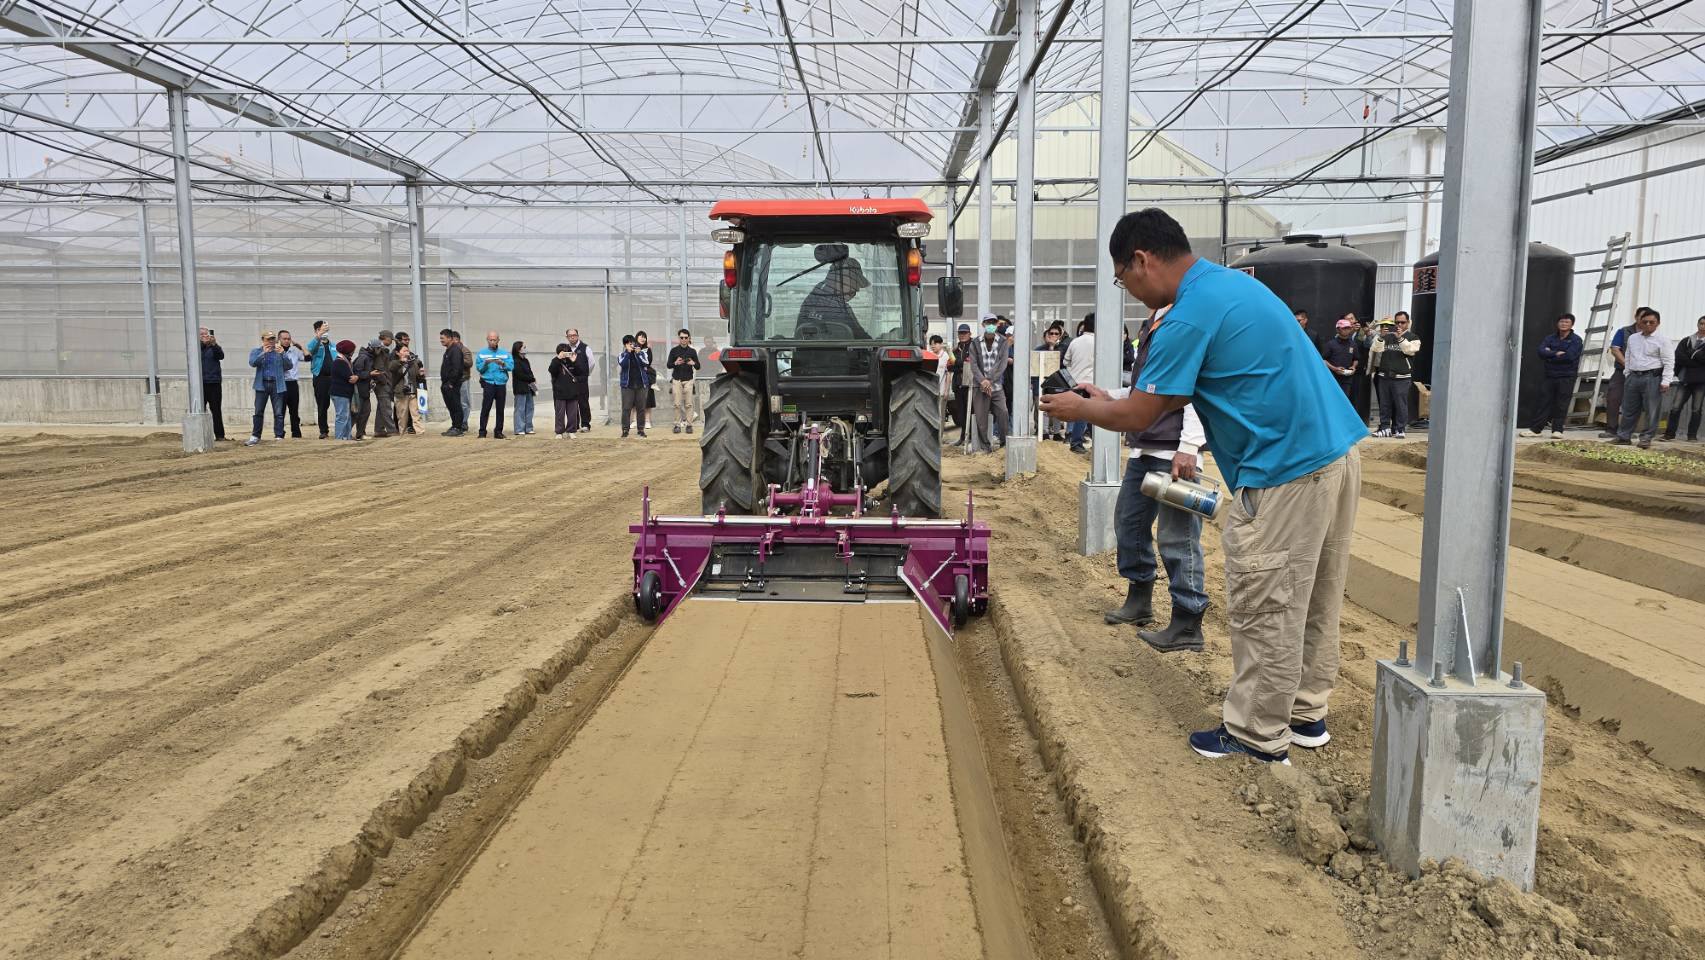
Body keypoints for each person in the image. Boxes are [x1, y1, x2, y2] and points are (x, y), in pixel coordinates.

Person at [1040, 207, 1365, 765]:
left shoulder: (1187, 314)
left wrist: (1079, 409)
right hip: (1334, 452)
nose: (1129, 291)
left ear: (1141, 259)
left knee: (1267, 601)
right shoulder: (1231, 286)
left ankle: (1256, 735)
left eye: (1124, 278)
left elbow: (1144, 415)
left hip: (1283, 470)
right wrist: (1110, 400)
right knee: (1314, 596)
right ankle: (1306, 714)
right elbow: (1164, 397)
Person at [1102, 304, 1211, 652]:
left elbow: (1196, 389)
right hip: (1144, 448)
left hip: (1174, 452)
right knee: (1129, 523)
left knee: (1177, 537)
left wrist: (1190, 445)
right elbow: (1147, 390)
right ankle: (1139, 598)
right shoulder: (1152, 323)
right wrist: (1109, 396)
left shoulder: (1183, 322)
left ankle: (1188, 620)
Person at [1613, 309, 1674, 449]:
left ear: (1658, 323)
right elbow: (1628, 356)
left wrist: (1666, 381)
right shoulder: (1633, 338)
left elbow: (1669, 361)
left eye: (1651, 322)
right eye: (1644, 321)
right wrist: (1627, 372)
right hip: (1633, 376)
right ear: (1639, 322)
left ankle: (1646, 438)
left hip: (1652, 377)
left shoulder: (1663, 340)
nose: (1648, 324)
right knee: (1629, 409)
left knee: (1651, 410)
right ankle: (1624, 436)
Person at [1529, 313, 1583, 439]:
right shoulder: (1550, 338)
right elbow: (1541, 352)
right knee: (1544, 402)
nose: (1563, 324)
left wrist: (1550, 354)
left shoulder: (1576, 340)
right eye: (1561, 322)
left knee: (1561, 403)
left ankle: (1557, 430)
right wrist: (1556, 354)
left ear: (1571, 325)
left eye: (1567, 322)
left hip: (1566, 376)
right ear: (1557, 324)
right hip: (1550, 375)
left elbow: (1569, 356)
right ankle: (1536, 429)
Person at [1600, 306, 1652, 437]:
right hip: (1621, 371)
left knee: (1634, 402)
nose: (1645, 321)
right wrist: (1627, 364)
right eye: (1642, 318)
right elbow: (1615, 349)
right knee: (1613, 398)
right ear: (1636, 317)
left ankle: (1627, 431)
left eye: (1648, 319)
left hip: (1641, 374)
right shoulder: (1624, 331)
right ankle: (1611, 429)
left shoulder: (1653, 335)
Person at [1369, 314, 1420, 438]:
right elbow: (1376, 349)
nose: (1399, 325)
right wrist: (1381, 336)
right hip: (1384, 376)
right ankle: (1385, 428)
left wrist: (1400, 338)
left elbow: (1411, 350)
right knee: (1385, 404)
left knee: (1400, 404)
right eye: (1397, 322)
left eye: (1403, 322)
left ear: (1408, 323)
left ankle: (1400, 429)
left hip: (1402, 377)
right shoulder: (1387, 336)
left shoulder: (1413, 337)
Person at [966, 314, 1011, 454]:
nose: (990, 324)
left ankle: (1004, 443)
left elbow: (1002, 364)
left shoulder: (1003, 342)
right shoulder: (975, 343)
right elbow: (973, 364)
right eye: (988, 322)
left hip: (996, 386)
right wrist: (982, 381)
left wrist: (990, 380)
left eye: (993, 322)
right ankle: (986, 446)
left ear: (997, 324)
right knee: (981, 417)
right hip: (979, 387)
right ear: (983, 325)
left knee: (1003, 412)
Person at [244, 330, 293, 446]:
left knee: (278, 412)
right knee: (258, 411)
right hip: (262, 384)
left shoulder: (279, 352)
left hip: (277, 384)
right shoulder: (256, 351)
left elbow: (289, 366)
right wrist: (263, 354)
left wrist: (283, 354)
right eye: (268, 339)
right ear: (263, 340)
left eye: (272, 339)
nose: (271, 342)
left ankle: (279, 436)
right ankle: (255, 436)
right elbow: (252, 363)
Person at [1664, 316, 1705, 442]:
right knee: (1675, 407)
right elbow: (1679, 357)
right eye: (1701, 323)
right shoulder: (1686, 341)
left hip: (1701, 382)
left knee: (1696, 409)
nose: (1703, 326)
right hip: (1684, 380)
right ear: (1697, 324)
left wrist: (1692, 355)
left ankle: (1692, 435)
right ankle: (1669, 434)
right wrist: (1696, 359)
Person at [1062, 313, 1097, 453]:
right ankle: (1076, 442)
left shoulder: (1075, 341)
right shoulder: (1099, 342)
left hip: (1075, 382)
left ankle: (1077, 440)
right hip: (1091, 383)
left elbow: (1065, 361)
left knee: (1082, 413)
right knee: (1088, 414)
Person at [475, 331, 512, 439]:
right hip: (488, 382)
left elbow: (511, 366)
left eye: (494, 340)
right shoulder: (482, 353)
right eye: (490, 339)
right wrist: (485, 363)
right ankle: (482, 432)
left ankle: (498, 431)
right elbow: (479, 368)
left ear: (498, 340)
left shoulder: (504, 353)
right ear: (487, 340)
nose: (492, 341)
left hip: (501, 383)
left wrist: (503, 363)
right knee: (486, 407)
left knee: (500, 408)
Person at [549, 341, 588, 438]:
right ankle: (559, 432)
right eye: (564, 352)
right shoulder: (555, 361)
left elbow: (581, 373)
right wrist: (558, 358)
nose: (566, 354)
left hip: (572, 391)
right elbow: (552, 370)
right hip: (560, 392)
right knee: (559, 414)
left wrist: (574, 361)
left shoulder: (573, 361)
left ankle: (571, 430)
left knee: (572, 414)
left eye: (568, 352)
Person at [667, 329, 702, 433]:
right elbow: (668, 365)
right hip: (676, 379)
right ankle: (677, 425)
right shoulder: (674, 351)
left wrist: (693, 363)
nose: (684, 340)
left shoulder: (692, 351)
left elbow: (698, 366)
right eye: (681, 337)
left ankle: (689, 425)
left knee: (689, 404)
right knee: (677, 403)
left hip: (688, 380)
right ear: (679, 338)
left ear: (689, 338)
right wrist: (675, 363)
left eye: (686, 338)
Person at [1320, 317, 1359, 408]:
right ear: (1338, 329)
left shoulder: (1353, 344)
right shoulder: (1331, 344)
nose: (1347, 330)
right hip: (1333, 378)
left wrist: (1353, 367)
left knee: (1345, 402)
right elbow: (1323, 360)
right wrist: (1334, 368)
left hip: (1347, 379)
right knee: (1332, 401)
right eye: (1344, 328)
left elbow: (1356, 359)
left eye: (1348, 328)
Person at [276, 329, 308, 439]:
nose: (287, 341)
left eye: (289, 339)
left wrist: (301, 347)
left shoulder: (294, 351)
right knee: (281, 410)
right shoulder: (275, 351)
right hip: (281, 383)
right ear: (279, 340)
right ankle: (280, 433)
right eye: (284, 339)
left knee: (294, 410)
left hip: (293, 384)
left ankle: (296, 432)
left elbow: (308, 357)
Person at [307, 320, 336, 439]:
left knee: (339, 403)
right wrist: (318, 337)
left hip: (334, 378)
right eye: (322, 329)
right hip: (321, 378)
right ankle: (323, 430)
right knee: (323, 404)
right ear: (316, 331)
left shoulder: (332, 345)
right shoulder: (314, 344)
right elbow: (310, 350)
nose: (325, 331)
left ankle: (342, 428)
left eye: (326, 329)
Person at [389, 341, 424, 437]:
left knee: (416, 414)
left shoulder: (412, 363)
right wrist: (401, 361)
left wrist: (421, 373)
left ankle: (420, 432)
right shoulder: (394, 363)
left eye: (408, 351)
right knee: (402, 416)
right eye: (404, 351)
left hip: (412, 392)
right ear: (397, 352)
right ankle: (402, 433)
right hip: (401, 393)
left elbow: (417, 375)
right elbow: (391, 368)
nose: (407, 353)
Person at [438, 328, 468, 436]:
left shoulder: (455, 350)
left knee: (455, 405)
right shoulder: (448, 350)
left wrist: (451, 383)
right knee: (451, 405)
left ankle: (458, 427)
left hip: (452, 384)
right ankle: (454, 425)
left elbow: (457, 369)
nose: (441, 340)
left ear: (450, 338)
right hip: (446, 383)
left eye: (443, 338)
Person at [947, 322, 974, 442]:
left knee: (972, 411)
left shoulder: (973, 347)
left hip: (970, 385)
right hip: (958, 384)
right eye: (960, 333)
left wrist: (957, 363)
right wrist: (960, 365)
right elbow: (949, 366)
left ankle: (972, 437)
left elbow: (970, 363)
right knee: (961, 413)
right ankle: (963, 436)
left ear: (969, 334)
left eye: (965, 333)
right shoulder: (956, 349)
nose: (962, 335)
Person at [618, 334, 648, 437]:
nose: (631, 345)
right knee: (626, 408)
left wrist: (638, 354)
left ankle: (641, 430)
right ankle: (625, 430)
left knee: (641, 408)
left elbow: (646, 363)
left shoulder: (642, 353)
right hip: (627, 386)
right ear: (625, 345)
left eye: (632, 343)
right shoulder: (622, 355)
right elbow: (623, 364)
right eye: (628, 343)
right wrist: (628, 353)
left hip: (641, 384)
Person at [199, 327, 226, 442]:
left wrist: (214, 344)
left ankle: (220, 435)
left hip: (214, 382)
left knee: (216, 410)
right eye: (203, 335)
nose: (205, 336)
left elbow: (221, 356)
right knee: (199, 410)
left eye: (207, 334)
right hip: (200, 384)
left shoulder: (214, 347)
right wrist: (202, 344)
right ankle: (201, 436)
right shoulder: (196, 348)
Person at [564, 328, 593, 432]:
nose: (572, 337)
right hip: (569, 381)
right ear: (567, 337)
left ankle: (585, 424)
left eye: (574, 335)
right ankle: (573, 424)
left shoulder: (585, 348)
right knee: (571, 403)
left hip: (581, 380)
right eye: (570, 335)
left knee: (583, 402)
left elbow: (591, 363)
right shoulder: (565, 349)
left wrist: (585, 374)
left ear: (578, 336)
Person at [330, 340, 357, 440]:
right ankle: (339, 437)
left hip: (343, 393)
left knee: (346, 416)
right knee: (342, 416)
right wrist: (356, 377)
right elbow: (350, 378)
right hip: (340, 393)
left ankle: (347, 436)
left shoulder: (344, 361)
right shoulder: (340, 362)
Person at [511, 341, 537, 436]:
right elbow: (519, 374)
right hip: (520, 388)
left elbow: (530, 372)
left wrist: (533, 380)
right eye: (524, 347)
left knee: (530, 407)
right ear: (518, 349)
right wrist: (531, 378)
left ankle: (528, 427)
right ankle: (519, 429)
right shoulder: (514, 361)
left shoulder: (525, 360)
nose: (525, 349)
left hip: (529, 387)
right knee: (520, 409)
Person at [635, 331, 657, 432]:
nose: (643, 339)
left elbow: (648, 362)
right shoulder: (631, 348)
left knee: (647, 399)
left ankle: (647, 421)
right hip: (635, 377)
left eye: (644, 337)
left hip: (645, 376)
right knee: (634, 400)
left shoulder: (648, 350)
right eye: (641, 337)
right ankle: (635, 420)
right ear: (636, 338)